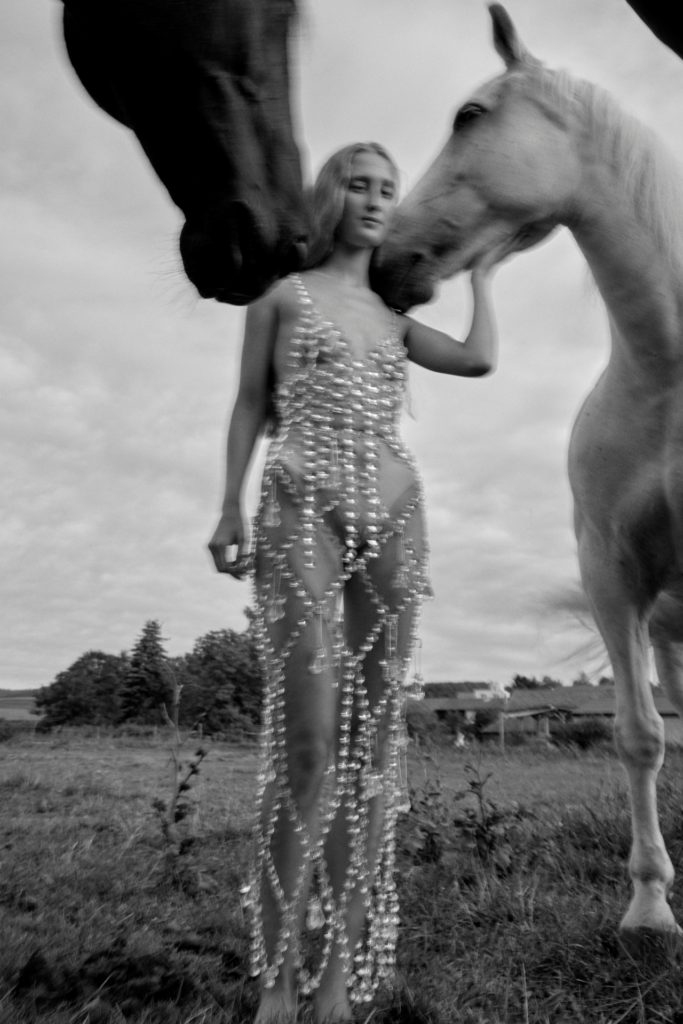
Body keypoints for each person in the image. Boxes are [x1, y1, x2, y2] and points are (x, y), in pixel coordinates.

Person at [208, 142, 500, 1024]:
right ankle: (275, 981)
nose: (374, 199)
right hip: (299, 507)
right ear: (328, 196)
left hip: (396, 525)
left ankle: (336, 978)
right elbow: (250, 407)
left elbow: (479, 361)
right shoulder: (278, 300)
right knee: (304, 746)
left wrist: (482, 274)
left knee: (371, 757)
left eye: (386, 189)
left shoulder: (391, 315)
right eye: (358, 185)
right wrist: (227, 506)